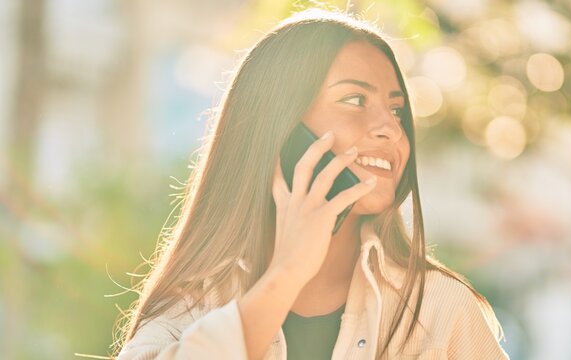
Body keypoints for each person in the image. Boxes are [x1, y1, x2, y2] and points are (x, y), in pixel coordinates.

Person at [114, 7, 509, 360]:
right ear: (279, 130)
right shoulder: (189, 310)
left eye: (395, 109)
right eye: (355, 100)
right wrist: (286, 273)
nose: (391, 129)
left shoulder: (441, 311)